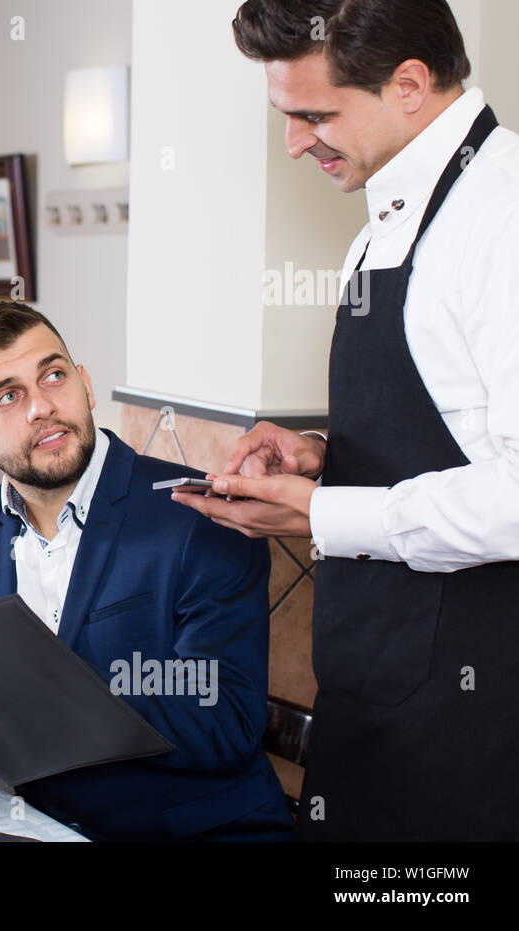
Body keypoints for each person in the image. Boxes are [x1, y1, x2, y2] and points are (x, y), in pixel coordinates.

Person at [172, 0, 519, 840]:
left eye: (314, 116)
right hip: (373, 697)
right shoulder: (383, 218)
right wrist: (324, 455)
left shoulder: (502, 217)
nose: (295, 144)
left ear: (409, 85)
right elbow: (444, 429)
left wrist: (318, 512)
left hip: (478, 720)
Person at [0, 302, 293, 841]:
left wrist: (37, 693)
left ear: (84, 385)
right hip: (43, 829)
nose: (41, 406)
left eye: (54, 376)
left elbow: (226, 723)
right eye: (8, 396)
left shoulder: (199, 518)